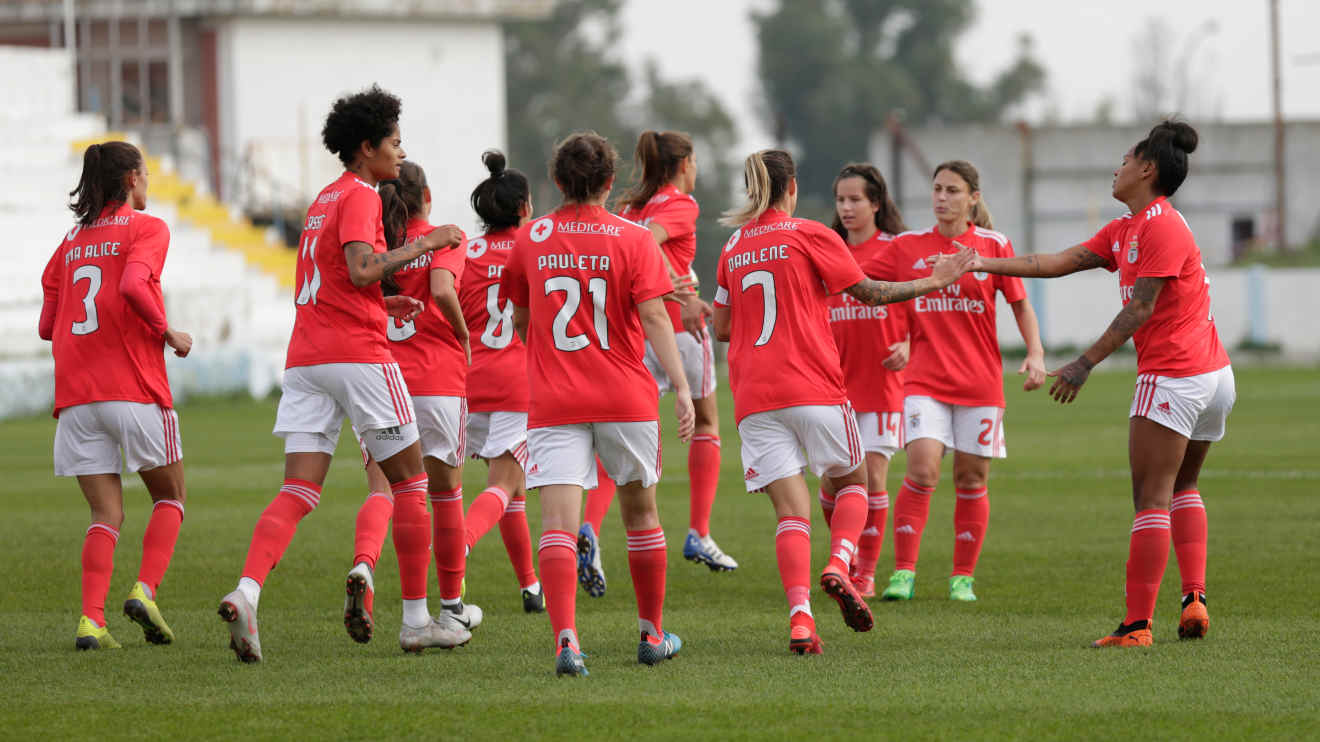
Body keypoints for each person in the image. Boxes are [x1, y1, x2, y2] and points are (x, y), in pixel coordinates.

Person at [939, 121, 1232, 646]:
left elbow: (1140, 307)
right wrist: (981, 262)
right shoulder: (1128, 228)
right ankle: (1193, 599)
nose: (1115, 168)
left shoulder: (1161, 225)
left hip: (1175, 375)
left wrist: (1083, 363)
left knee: (1150, 498)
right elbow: (1056, 262)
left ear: (1147, 169)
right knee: (1183, 485)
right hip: (1212, 376)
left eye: (1124, 159)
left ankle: (1137, 626)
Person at [218, 85, 467, 662]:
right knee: (410, 484)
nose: (400, 155)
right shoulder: (361, 195)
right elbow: (359, 269)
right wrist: (426, 244)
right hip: (357, 357)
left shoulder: (322, 199)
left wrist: (385, 304)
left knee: (298, 490)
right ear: (366, 147)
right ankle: (416, 621)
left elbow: (336, 281)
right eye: (395, 144)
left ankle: (247, 591)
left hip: (307, 358)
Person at [712, 149, 971, 654]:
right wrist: (935, 281)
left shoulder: (732, 247)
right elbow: (869, 293)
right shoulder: (810, 233)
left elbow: (722, 327)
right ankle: (840, 562)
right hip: (813, 385)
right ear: (792, 188)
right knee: (854, 481)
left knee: (791, 513)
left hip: (753, 396)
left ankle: (802, 621)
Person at [500, 131, 695, 676]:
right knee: (642, 516)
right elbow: (657, 317)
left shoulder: (530, 238)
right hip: (625, 397)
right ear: (611, 183)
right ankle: (651, 634)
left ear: (558, 181)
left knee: (559, 525)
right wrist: (680, 387)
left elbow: (520, 317)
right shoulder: (634, 239)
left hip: (555, 399)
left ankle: (567, 641)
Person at [869, 160, 1046, 603]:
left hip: (980, 383)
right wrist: (903, 339)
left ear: (973, 198)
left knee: (970, 479)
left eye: (952, 190)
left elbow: (1020, 304)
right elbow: (870, 285)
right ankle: (904, 573)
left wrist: (1036, 353)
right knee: (923, 469)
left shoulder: (991, 245)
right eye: (936, 189)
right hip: (924, 381)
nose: (942, 198)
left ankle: (962, 577)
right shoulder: (907, 246)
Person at [40, 141, 193, 650]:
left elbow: (47, 324)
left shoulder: (71, 239)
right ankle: (145, 591)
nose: (149, 181)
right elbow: (131, 284)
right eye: (146, 173)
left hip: (77, 399)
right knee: (170, 496)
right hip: (133, 391)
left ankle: (91, 622)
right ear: (131, 180)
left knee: (105, 515)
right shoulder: (148, 228)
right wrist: (167, 331)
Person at [575, 130, 735, 599]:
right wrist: (682, 293)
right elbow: (648, 244)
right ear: (683, 163)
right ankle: (699, 533)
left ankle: (590, 526)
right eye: (696, 161)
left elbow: (627, 245)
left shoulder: (626, 208)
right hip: (676, 329)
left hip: (631, 335)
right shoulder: (680, 204)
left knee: (617, 438)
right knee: (706, 421)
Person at [342, 159, 481, 646]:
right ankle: (450, 609)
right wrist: (463, 336)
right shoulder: (442, 237)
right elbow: (443, 289)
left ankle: (365, 563)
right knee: (445, 496)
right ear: (427, 195)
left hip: (384, 379)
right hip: (438, 380)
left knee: (385, 491)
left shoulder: (378, 251)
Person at [818, 163, 910, 598]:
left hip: (881, 384)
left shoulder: (896, 249)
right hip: (831, 384)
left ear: (876, 203)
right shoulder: (826, 248)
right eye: (841, 200)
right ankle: (846, 554)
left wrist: (911, 343)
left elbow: (923, 298)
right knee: (832, 484)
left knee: (873, 477)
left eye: (856, 199)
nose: (847, 207)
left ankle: (865, 574)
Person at [457, 149, 543, 614]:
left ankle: (530, 587)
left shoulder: (464, 252)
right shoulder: (533, 249)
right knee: (504, 484)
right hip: (516, 380)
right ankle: (459, 547)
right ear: (524, 208)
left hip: (467, 380)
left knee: (511, 489)